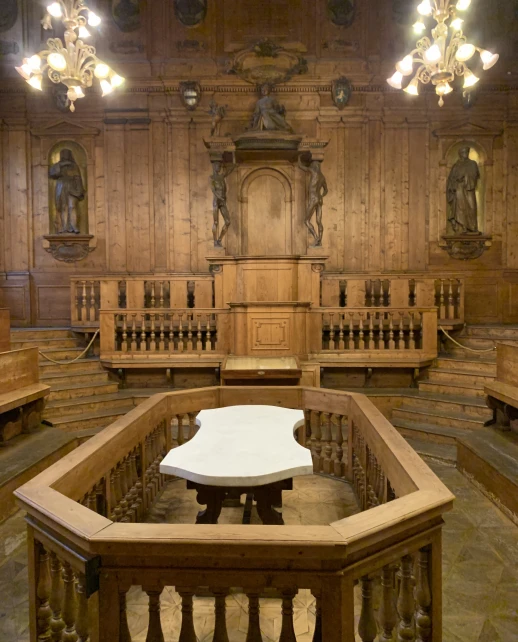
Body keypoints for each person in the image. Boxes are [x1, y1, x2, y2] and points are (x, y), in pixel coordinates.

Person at [48, 149, 85, 234]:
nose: (65, 156)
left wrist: (79, 190)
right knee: (63, 207)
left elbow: (77, 177)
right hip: (61, 186)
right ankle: (65, 227)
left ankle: (73, 226)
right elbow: (52, 173)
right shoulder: (58, 166)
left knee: (72, 206)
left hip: (72, 187)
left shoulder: (74, 166)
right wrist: (61, 164)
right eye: (63, 154)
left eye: (66, 154)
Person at [447, 145, 480, 234]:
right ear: (460, 154)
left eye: (466, 152)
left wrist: (466, 177)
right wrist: (457, 181)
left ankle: (473, 228)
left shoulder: (473, 164)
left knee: (472, 206)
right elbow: (451, 179)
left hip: (469, 188)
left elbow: (476, 175)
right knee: (460, 208)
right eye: (463, 152)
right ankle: (463, 228)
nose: (465, 154)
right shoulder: (456, 165)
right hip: (459, 188)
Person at [298, 157, 328, 247]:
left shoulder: (314, 172)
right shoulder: (322, 177)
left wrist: (299, 157)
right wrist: (321, 196)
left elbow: (301, 166)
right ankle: (320, 241)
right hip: (319, 199)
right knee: (319, 221)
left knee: (306, 220)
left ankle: (316, 238)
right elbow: (326, 190)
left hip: (313, 198)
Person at [210, 161, 236, 247]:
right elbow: (213, 190)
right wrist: (219, 197)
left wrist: (234, 160)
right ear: (214, 167)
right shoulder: (212, 178)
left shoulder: (221, 177)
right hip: (216, 201)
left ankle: (219, 239)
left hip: (222, 201)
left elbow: (229, 170)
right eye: (218, 166)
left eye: (220, 166)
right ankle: (215, 241)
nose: (219, 167)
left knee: (228, 222)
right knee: (216, 222)